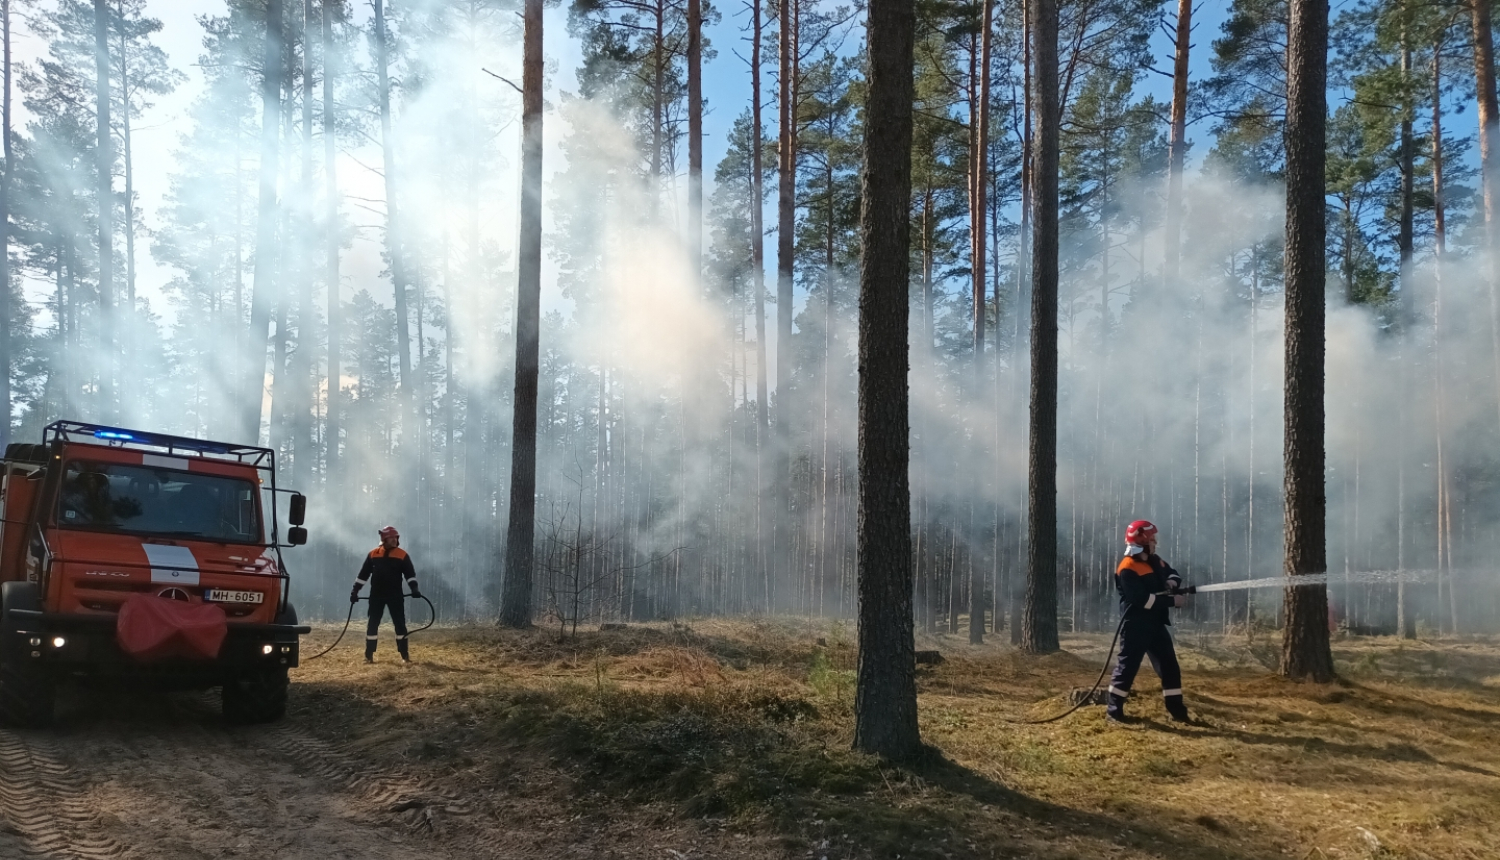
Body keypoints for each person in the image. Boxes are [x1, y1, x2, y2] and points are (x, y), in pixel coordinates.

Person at [1106, 519, 1191, 724]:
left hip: (1155, 624)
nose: (1155, 543)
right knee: (1127, 667)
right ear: (1141, 541)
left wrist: (1172, 581)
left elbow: (1171, 572)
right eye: (1152, 539)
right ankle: (1113, 712)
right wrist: (1172, 601)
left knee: (1169, 667)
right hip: (1135, 625)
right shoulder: (1127, 568)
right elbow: (1142, 599)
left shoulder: (1153, 560)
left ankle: (1177, 712)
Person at [351, 526, 422, 663]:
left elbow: (410, 575)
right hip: (376, 596)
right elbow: (363, 575)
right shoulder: (373, 554)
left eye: (396, 538)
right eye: (392, 538)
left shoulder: (402, 555)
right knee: (373, 624)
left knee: (400, 625)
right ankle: (368, 656)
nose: (395, 540)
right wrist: (355, 591)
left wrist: (414, 589)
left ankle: (405, 656)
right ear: (384, 539)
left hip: (395, 596)